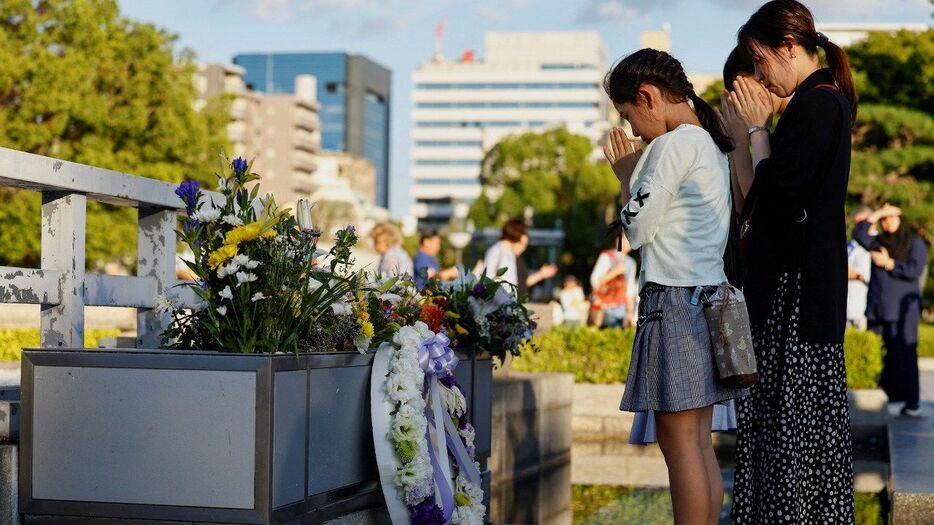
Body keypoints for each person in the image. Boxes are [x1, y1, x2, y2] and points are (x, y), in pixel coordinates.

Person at [723, 1, 858, 523]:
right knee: (783, 435)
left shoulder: (819, 103)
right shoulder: (815, 102)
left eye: (760, 61)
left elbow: (776, 194)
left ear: (787, 46)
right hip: (793, 296)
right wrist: (745, 137)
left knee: (794, 440)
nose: (759, 76)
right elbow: (755, 204)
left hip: (799, 300)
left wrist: (756, 133)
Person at [603, 48, 747, 525]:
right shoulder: (707, 143)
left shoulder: (671, 146)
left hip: (673, 303)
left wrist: (626, 177)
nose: (634, 132)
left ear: (647, 97)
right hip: (704, 301)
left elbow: (637, 230)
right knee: (697, 442)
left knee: (679, 443)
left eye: (630, 117)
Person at [853, 204, 928, 418]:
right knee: (880, 355)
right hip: (879, 309)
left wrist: (889, 263)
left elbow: (915, 269)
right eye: (885, 219)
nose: (888, 222)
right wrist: (876, 214)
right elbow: (858, 234)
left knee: (904, 356)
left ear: (901, 218)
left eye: (892, 217)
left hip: (902, 313)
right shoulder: (878, 242)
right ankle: (888, 399)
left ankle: (911, 402)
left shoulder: (914, 242)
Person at [481, 219, 557, 295]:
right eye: (522, 244)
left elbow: (522, 282)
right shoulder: (496, 250)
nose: (523, 248)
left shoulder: (512, 255)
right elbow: (487, 279)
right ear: (515, 236)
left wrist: (541, 274)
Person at [589, 236, 638, 328]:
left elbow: (630, 290)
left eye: (629, 241)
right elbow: (595, 281)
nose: (625, 244)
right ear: (617, 240)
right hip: (604, 307)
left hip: (621, 308)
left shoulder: (631, 263)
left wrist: (629, 311)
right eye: (623, 240)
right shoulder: (606, 256)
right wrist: (615, 272)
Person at [847, 207, 874, 330]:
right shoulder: (849, 245)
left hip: (863, 306)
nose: (859, 227)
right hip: (845, 306)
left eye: (862, 223)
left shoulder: (877, 242)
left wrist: (856, 275)